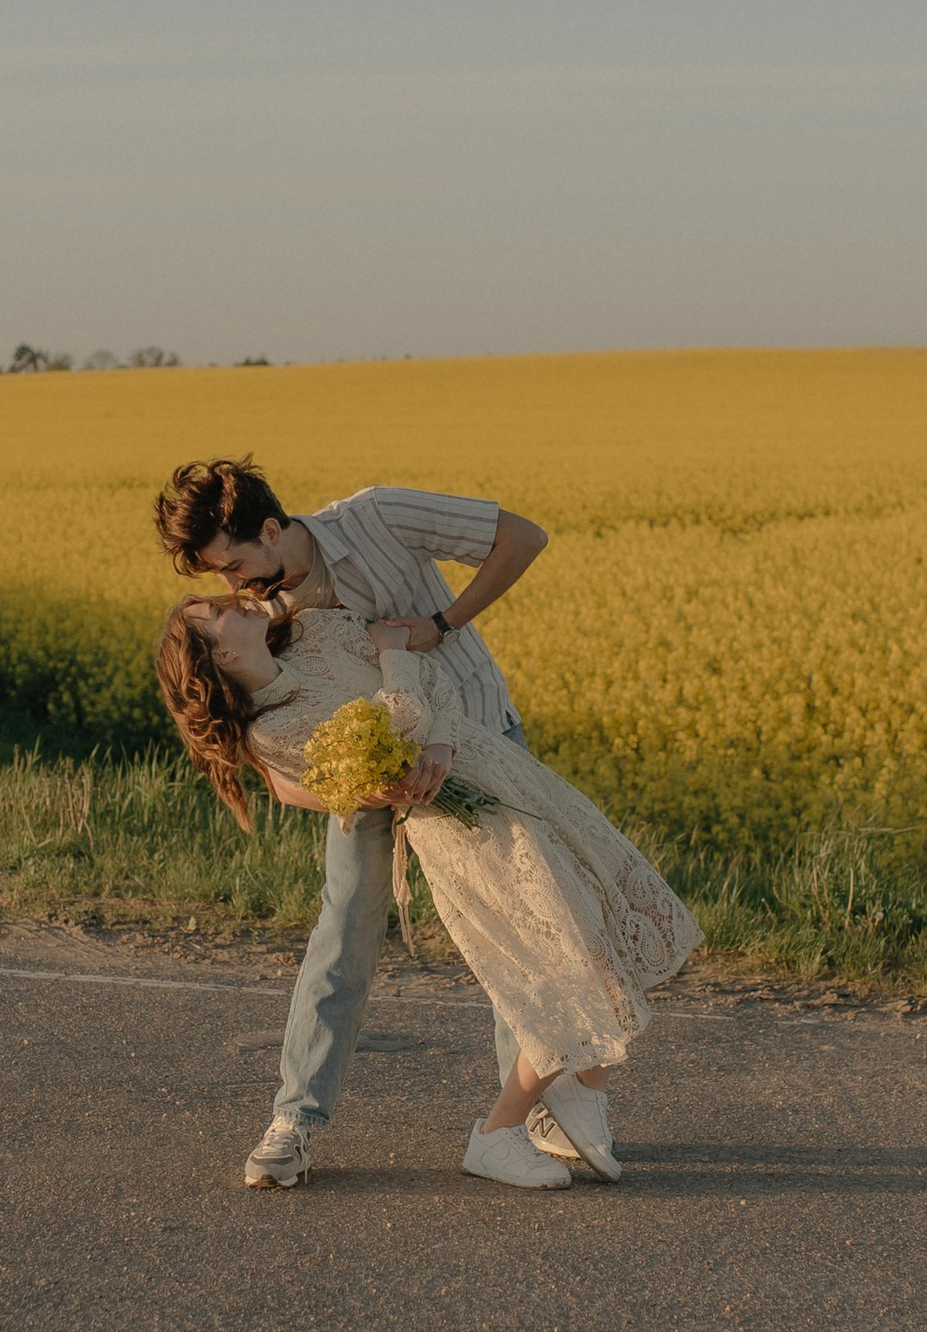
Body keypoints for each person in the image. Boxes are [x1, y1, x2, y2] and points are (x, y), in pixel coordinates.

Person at [153, 584, 700, 1189]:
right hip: (460, 825)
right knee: (566, 955)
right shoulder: (273, 730)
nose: (232, 599)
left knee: (608, 920)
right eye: (216, 614)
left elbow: (432, 690)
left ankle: (577, 1092)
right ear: (222, 658)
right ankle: (499, 1133)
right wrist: (394, 659)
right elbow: (397, 728)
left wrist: (438, 737)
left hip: (500, 771)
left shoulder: (316, 633)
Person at [154, 460, 552, 1185]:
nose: (235, 588)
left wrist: (439, 626)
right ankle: (293, 1123)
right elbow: (278, 773)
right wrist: (353, 791)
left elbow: (524, 537)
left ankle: (526, 1117)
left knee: (517, 933)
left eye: (238, 565)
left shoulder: (379, 517)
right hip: (363, 778)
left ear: (272, 530)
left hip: (475, 741)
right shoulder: (258, 614)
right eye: (221, 577)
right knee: (344, 932)